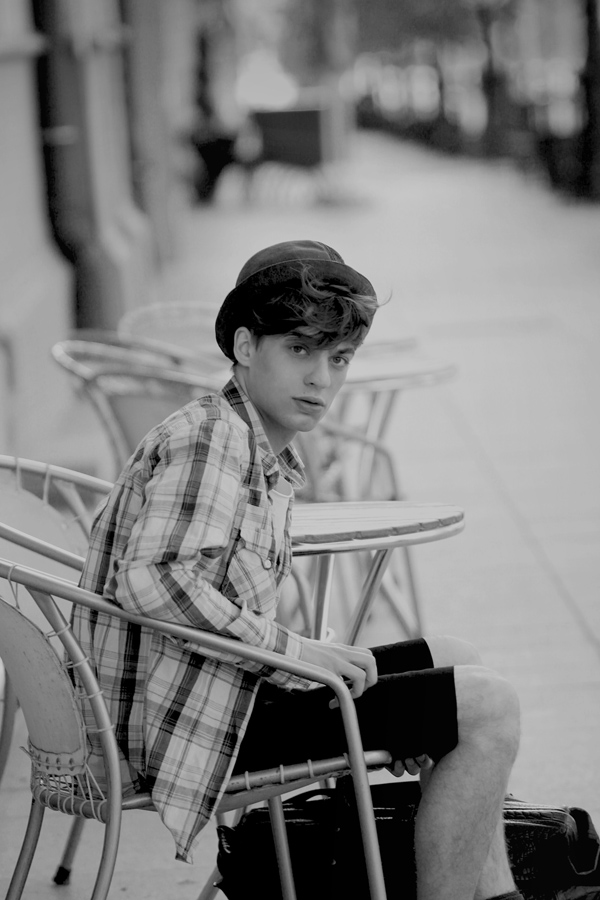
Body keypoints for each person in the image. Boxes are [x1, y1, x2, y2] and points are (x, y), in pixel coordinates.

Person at [73, 240, 522, 900]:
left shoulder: (250, 441)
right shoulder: (213, 438)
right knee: (489, 708)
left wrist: (320, 667)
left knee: (457, 662)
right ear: (246, 346)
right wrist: (298, 652)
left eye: (338, 358)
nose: (321, 379)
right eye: (300, 350)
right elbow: (154, 580)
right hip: (191, 725)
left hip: (221, 694)